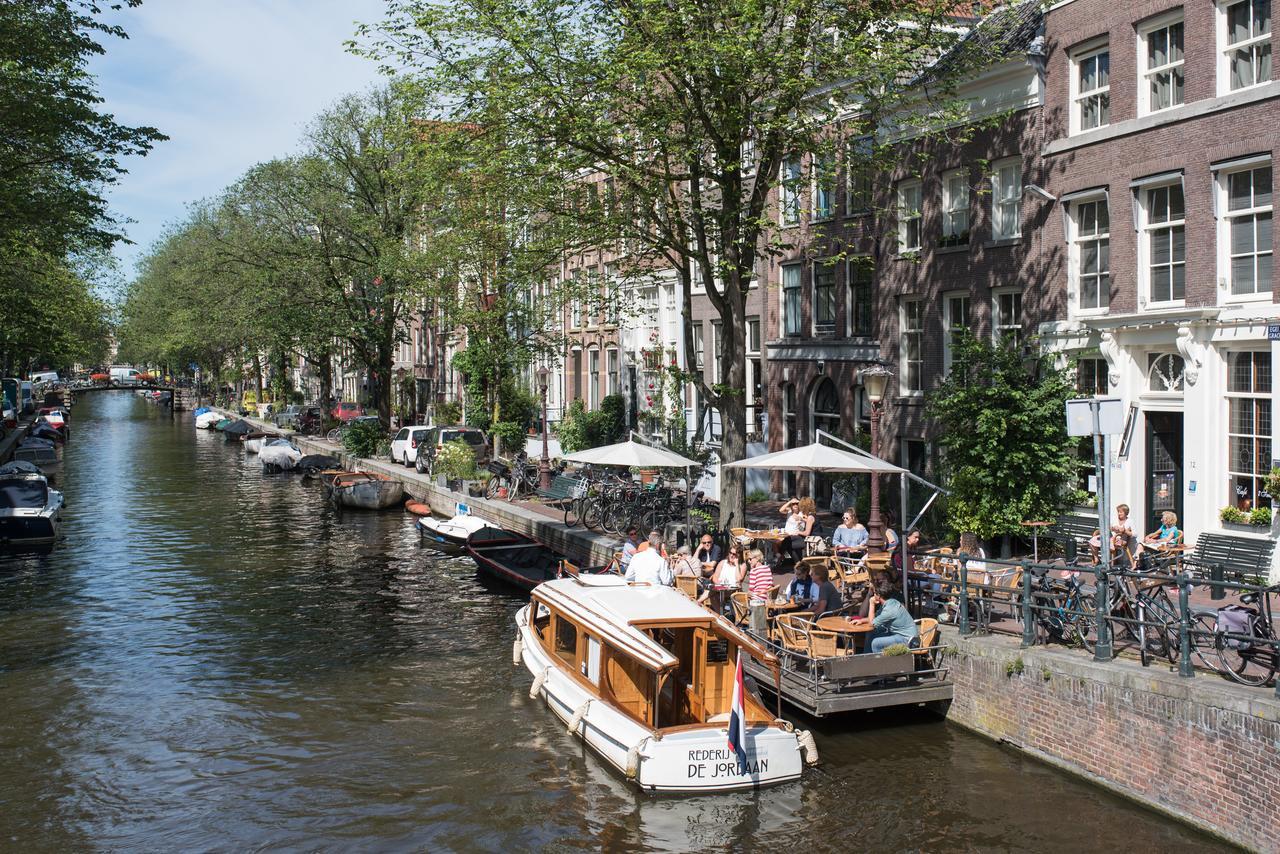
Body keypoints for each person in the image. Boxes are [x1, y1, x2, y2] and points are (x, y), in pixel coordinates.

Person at [860, 577, 920, 654]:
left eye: (874, 593)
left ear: (878, 595)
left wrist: (871, 603)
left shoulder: (889, 610)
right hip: (903, 634)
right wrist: (861, 620)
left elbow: (872, 624)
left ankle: (880, 664)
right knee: (873, 634)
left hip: (908, 640)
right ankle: (866, 658)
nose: (873, 595)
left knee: (875, 642)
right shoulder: (892, 602)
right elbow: (876, 618)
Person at [777, 497, 816, 566]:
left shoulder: (802, 513)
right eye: (793, 504)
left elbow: (809, 522)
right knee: (776, 542)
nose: (795, 505)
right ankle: (796, 562)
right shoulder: (789, 511)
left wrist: (801, 520)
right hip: (787, 535)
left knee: (787, 542)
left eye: (797, 503)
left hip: (797, 536)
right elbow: (781, 510)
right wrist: (789, 502)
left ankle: (780, 557)